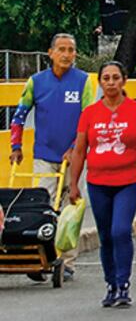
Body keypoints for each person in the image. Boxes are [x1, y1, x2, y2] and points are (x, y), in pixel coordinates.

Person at [7, 33, 95, 279]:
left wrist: (75, 147)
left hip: (73, 155)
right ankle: (39, 256)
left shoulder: (83, 81)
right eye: (62, 49)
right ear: (51, 52)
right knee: (42, 205)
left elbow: (87, 120)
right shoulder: (36, 82)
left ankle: (67, 262)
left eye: (71, 50)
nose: (67, 54)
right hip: (44, 154)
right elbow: (19, 116)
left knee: (71, 208)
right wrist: (16, 146)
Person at [66, 61, 136, 307]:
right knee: (105, 235)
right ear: (100, 82)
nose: (111, 82)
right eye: (106, 78)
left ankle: (123, 283)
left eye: (116, 78)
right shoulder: (90, 113)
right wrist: (74, 184)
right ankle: (111, 283)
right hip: (97, 182)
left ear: (124, 80)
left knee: (120, 231)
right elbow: (80, 150)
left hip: (128, 181)